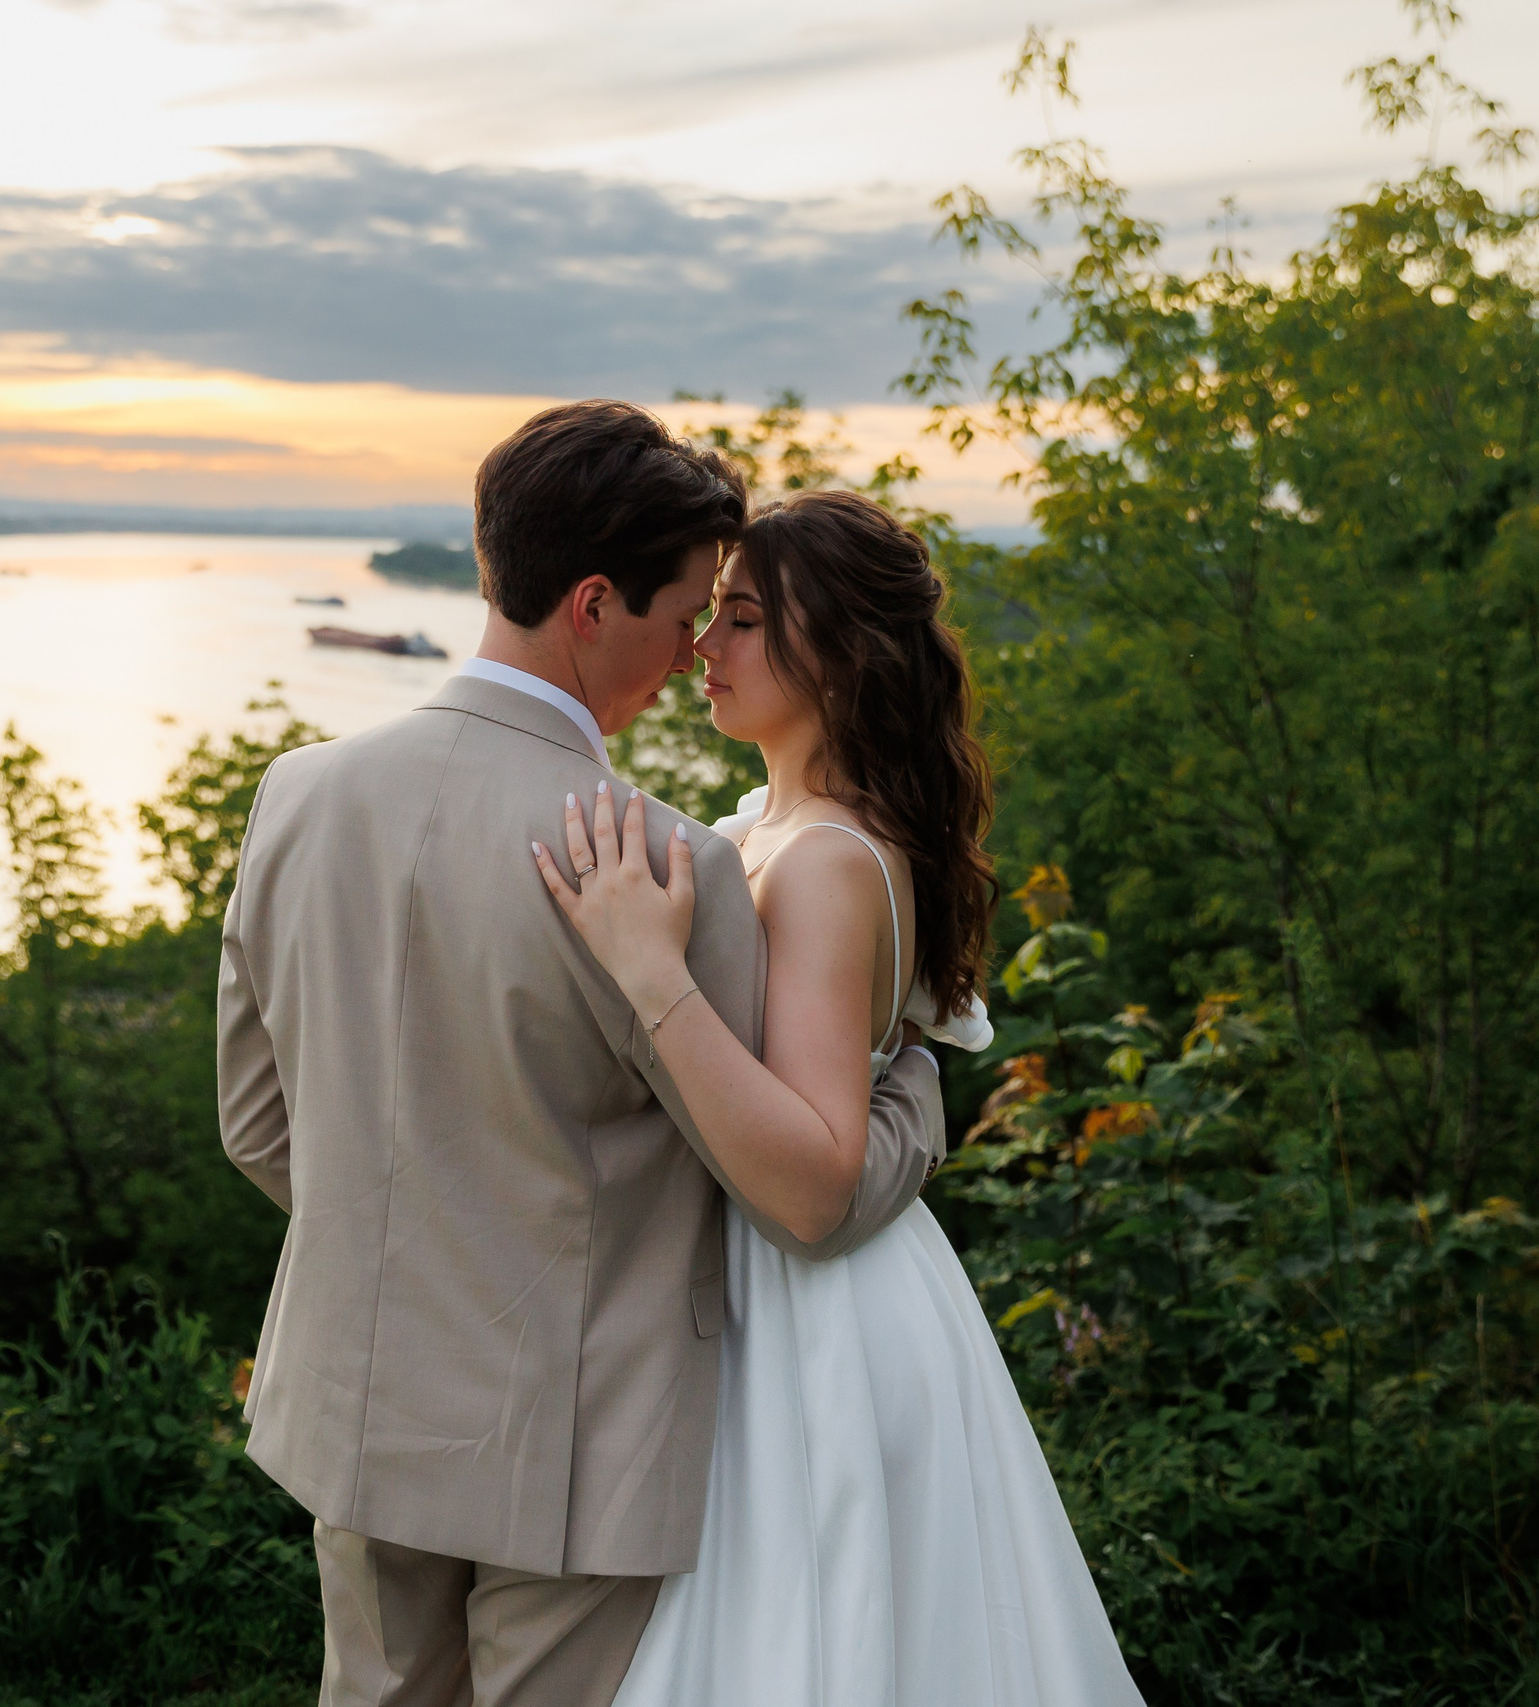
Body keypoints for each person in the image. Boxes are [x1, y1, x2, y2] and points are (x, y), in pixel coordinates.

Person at [215, 401, 951, 1707]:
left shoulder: (300, 793)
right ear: (596, 603)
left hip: (356, 1397)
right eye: (684, 616)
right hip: (572, 1437)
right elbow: (775, 1185)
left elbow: (261, 1126)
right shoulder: (667, 863)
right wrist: (911, 1104)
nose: (688, 654)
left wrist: (424, 1247)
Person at [533, 488, 1146, 1705]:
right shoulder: (772, 825)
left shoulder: (819, 863)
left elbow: (814, 1187)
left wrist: (651, 975)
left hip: (816, 1325)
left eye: (746, 620)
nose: (706, 648)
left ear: (841, 651)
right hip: (800, 1306)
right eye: (711, 616)